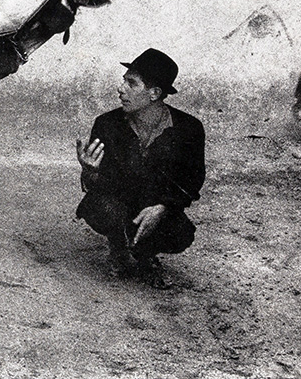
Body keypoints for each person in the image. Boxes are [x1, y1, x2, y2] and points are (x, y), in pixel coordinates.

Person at [75, 48, 205, 288]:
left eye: (131, 83)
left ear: (154, 93)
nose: (121, 89)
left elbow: (192, 180)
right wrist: (90, 171)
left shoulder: (189, 129)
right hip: (119, 201)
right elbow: (100, 186)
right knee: (102, 208)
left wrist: (163, 207)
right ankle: (119, 246)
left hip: (156, 204)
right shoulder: (107, 124)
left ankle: (146, 253)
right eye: (124, 80)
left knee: (180, 233)